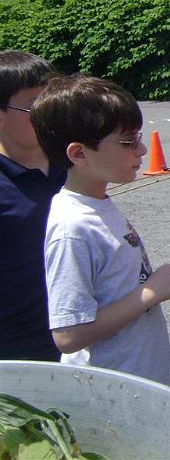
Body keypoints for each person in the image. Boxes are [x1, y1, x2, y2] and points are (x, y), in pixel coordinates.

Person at [30, 74, 170, 385]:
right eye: (128, 142)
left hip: (136, 378)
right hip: (111, 389)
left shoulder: (96, 202)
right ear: (79, 154)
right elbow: (68, 334)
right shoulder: (72, 227)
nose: (141, 150)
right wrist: (151, 293)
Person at [0, 50, 65, 361]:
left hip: (87, 335)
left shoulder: (72, 162)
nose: (46, 116)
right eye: (33, 107)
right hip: (19, 350)